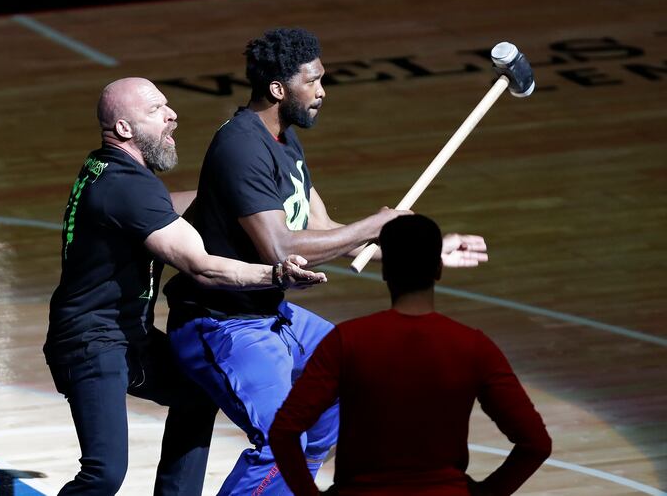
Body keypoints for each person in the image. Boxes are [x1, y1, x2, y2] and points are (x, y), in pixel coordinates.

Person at [162, 29, 489, 495]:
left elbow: (322, 228)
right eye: (312, 82)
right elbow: (279, 248)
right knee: (281, 444)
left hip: (268, 314)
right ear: (278, 88)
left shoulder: (285, 141)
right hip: (223, 324)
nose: (321, 92)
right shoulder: (242, 148)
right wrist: (373, 225)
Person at [44, 76, 326, 496]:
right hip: (90, 346)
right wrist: (277, 273)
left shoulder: (108, 168)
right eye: (157, 110)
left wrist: (243, 188)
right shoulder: (128, 190)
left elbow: (171, 206)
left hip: (126, 335)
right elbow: (202, 267)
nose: (172, 115)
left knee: (197, 387)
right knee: (104, 473)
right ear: (125, 129)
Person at [269, 214, 552, 496]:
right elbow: (536, 443)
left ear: (384, 271)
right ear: (439, 269)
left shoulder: (347, 341)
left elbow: (284, 432)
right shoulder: (473, 346)